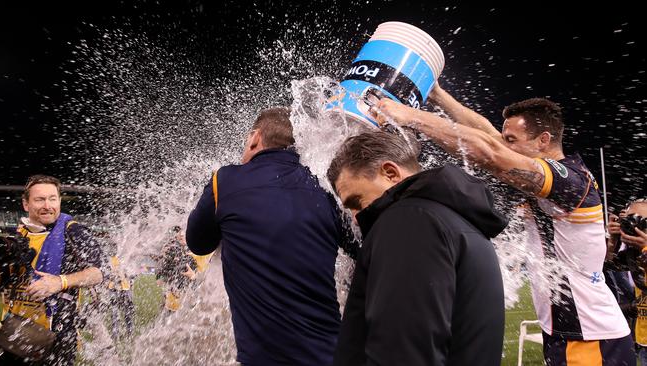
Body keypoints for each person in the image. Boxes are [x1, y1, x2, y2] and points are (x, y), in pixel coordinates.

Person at [370, 85, 634, 364]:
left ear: (543, 140)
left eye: (511, 139)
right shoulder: (549, 171)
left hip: (589, 338)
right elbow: (487, 134)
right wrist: (437, 94)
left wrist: (409, 116)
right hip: (567, 333)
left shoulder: (569, 180)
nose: (503, 143)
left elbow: (490, 152)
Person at [186, 107, 355, 366]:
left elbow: (197, 244)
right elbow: (363, 250)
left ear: (255, 138)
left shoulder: (226, 180)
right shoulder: (325, 192)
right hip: (335, 354)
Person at [326, 130, 507, 365]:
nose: (355, 218)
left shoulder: (407, 220)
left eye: (357, 201)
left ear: (390, 173)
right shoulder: (454, 218)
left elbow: (402, 350)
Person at [0, 175, 103, 365]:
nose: (47, 205)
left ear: (59, 201)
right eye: (39, 199)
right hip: (15, 334)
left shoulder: (73, 232)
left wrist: (59, 281)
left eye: (52, 199)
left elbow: (98, 273)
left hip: (55, 340)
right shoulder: (17, 236)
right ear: (26, 204)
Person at [608, 198, 647, 365]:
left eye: (640, 221)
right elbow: (606, 267)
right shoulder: (634, 252)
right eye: (630, 220)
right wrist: (612, 242)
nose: (634, 226)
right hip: (643, 339)